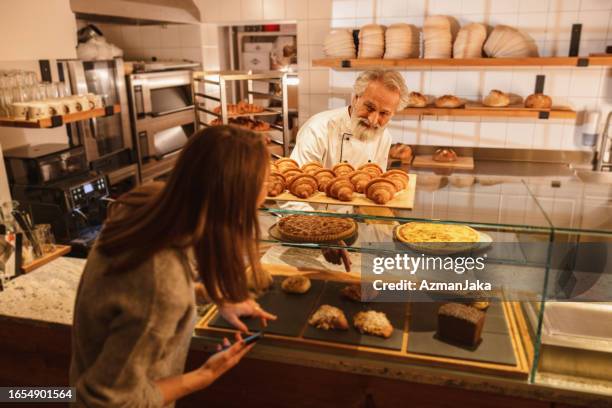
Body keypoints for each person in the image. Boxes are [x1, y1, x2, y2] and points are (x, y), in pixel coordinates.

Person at [70, 126, 277, 407]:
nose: (268, 191)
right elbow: (105, 400)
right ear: (237, 197)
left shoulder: (146, 205)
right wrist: (204, 376)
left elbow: (137, 291)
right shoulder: (163, 286)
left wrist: (210, 295)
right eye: (265, 183)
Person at [290, 69, 409, 170]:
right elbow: (298, 184)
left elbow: (376, 184)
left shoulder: (384, 137)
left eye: (384, 113)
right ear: (355, 98)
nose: (373, 120)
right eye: (369, 107)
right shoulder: (317, 129)